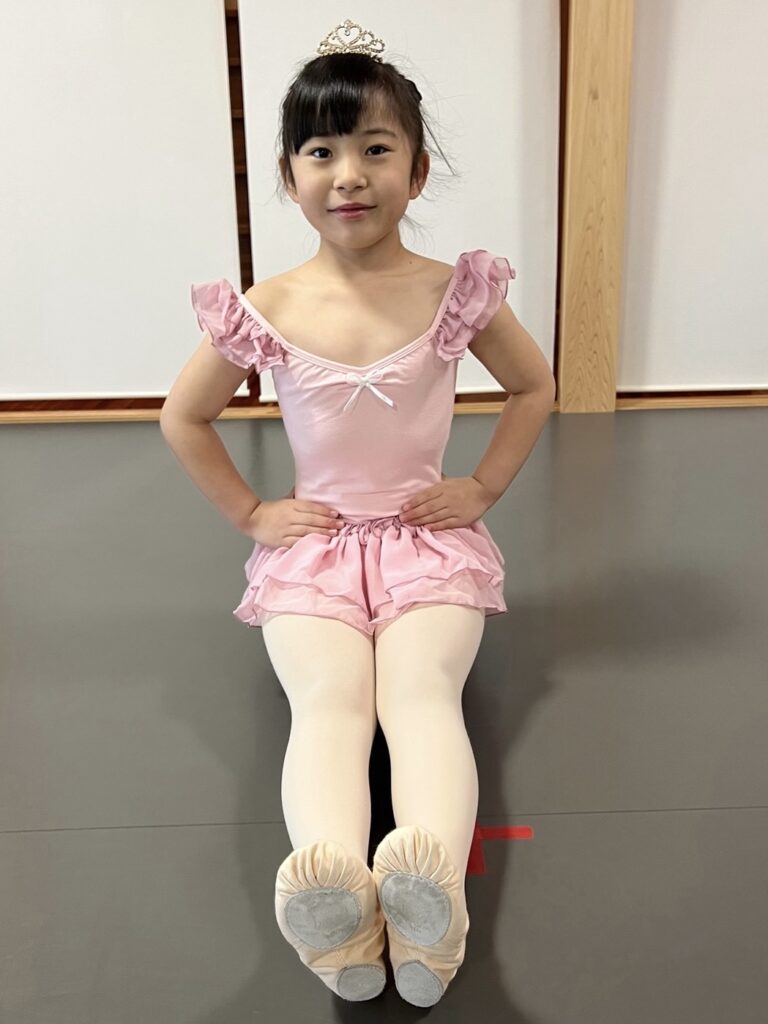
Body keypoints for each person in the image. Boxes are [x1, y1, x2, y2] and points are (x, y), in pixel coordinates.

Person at [161, 19, 554, 1008]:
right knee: (331, 701)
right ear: (289, 177)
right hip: (318, 551)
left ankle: (430, 900)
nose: (349, 175)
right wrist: (255, 514)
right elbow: (184, 415)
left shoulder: (453, 292)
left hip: (429, 543)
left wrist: (481, 488)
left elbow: (533, 385)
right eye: (321, 152)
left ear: (416, 173)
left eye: (376, 149)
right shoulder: (270, 306)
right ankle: (334, 893)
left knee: (418, 694)